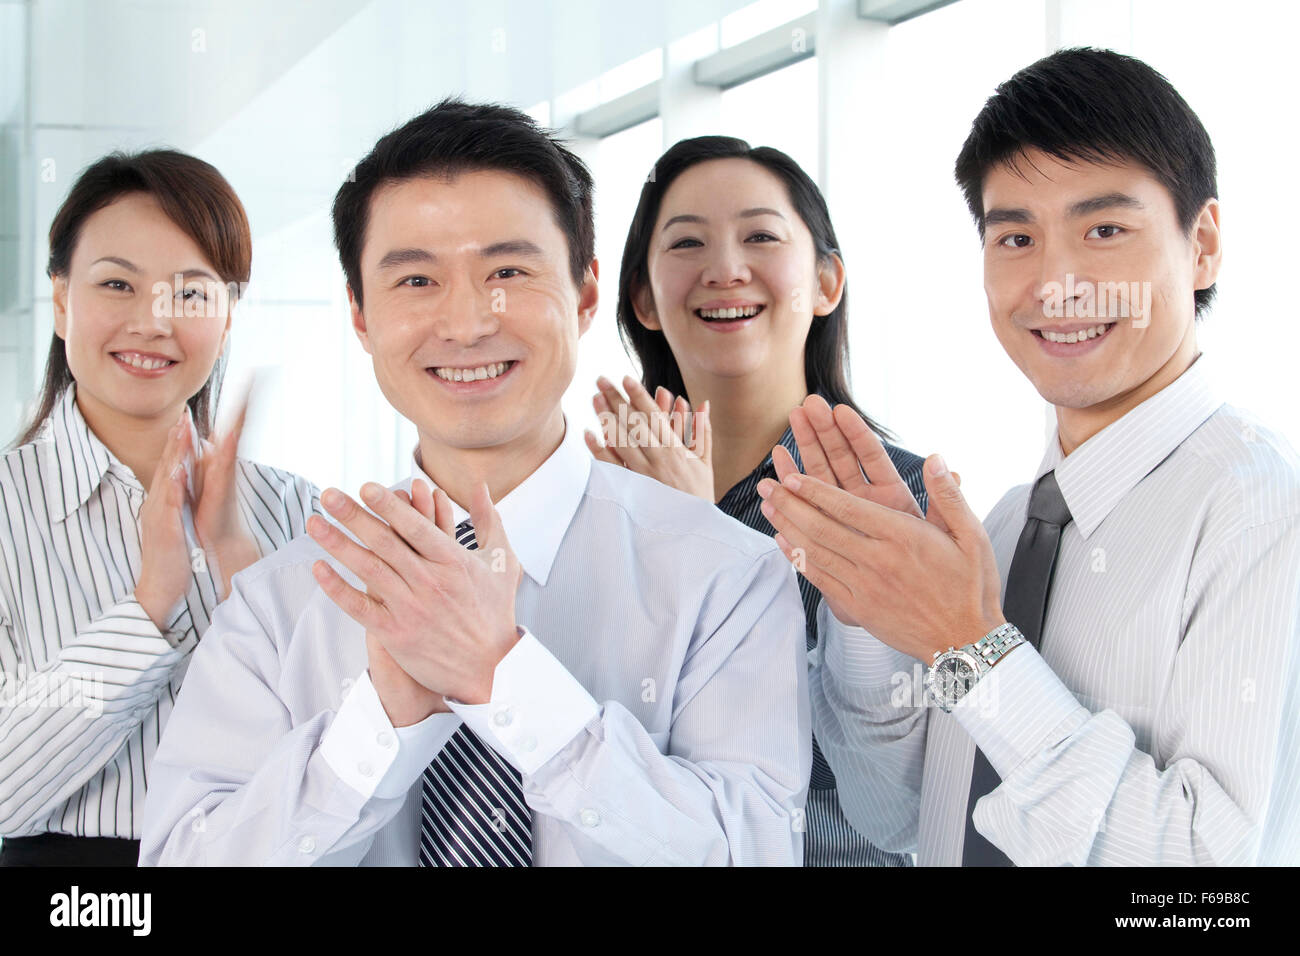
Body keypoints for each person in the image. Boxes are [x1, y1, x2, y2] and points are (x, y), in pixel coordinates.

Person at [138, 99, 810, 867]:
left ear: (586, 293)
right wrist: (378, 727)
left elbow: (752, 852)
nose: (465, 324)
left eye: (508, 271)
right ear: (359, 314)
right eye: (416, 279)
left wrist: (504, 679)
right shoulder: (278, 606)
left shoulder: (728, 576)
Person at [759, 46, 1300, 866]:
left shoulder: (1259, 510)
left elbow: (1208, 883)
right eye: (1015, 237)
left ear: (1204, 244)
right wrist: (876, 608)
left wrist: (973, 647)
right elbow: (895, 816)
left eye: (1105, 229)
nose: (1055, 283)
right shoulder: (1010, 525)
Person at [587, 136, 926, 866]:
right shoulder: (594, 499)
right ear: (642, 297)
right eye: (686, 243)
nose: (725, 269)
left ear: (827, 282)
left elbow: (912, 792)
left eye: (761, 236)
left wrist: (695, 538)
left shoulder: (902, 500)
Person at [0, 150, 320, 866]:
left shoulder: (299, 510)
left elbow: (343, 739)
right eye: (117, 283)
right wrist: (152, 602)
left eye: (192, 293)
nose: (153, 322)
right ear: (60, 302)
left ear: (228, 313)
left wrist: (241, 565)